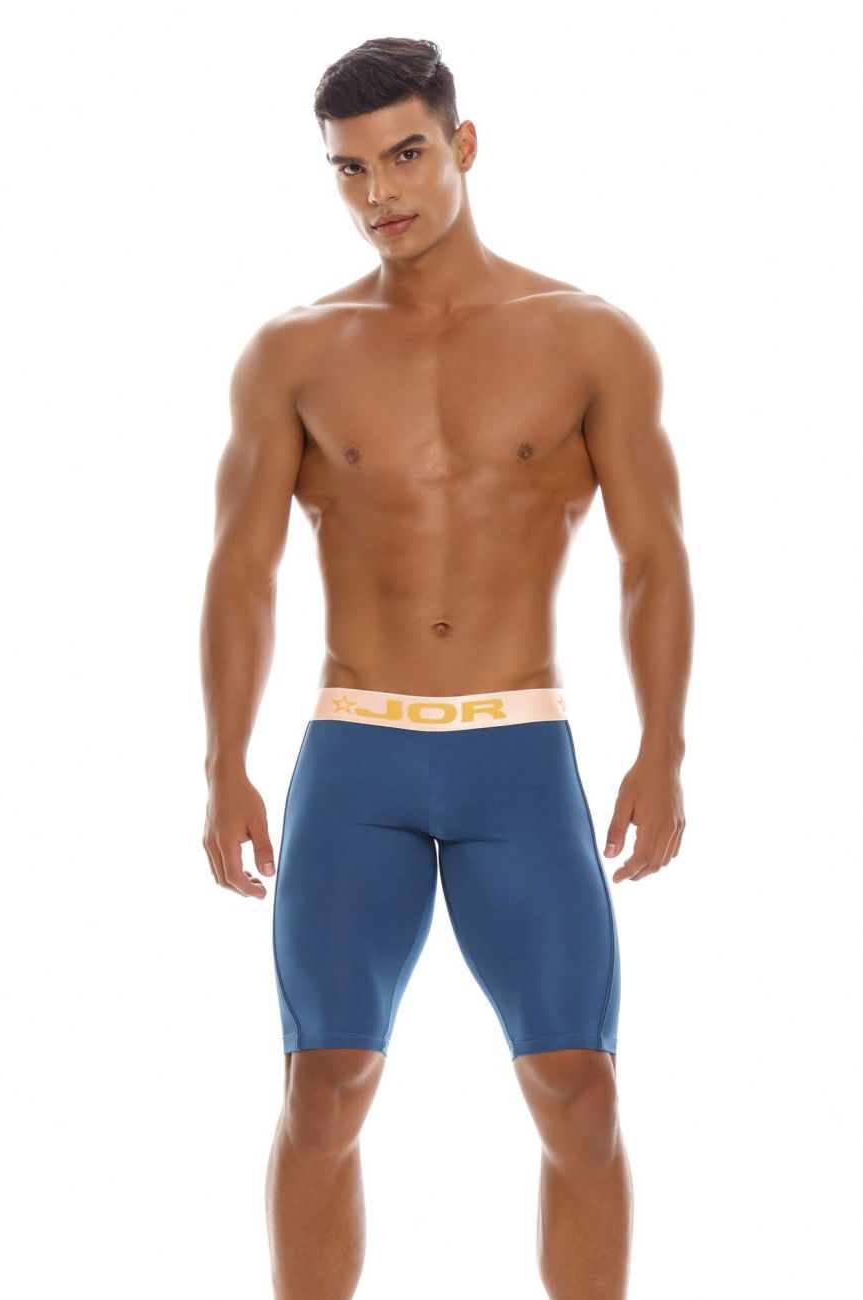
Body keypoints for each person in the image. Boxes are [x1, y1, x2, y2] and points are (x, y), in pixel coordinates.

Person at [200, 35, 693, 1300]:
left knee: (579, 1092)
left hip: (516, 755)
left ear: (462, 145)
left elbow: (651, 557)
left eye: (406, 155)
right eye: (350, 169)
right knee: (322, 1090)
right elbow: (241, 570)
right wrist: (224, 763)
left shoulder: (588, 338)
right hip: (353, 754)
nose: (380, 193)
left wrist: (660, 747)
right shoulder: (293, 353)